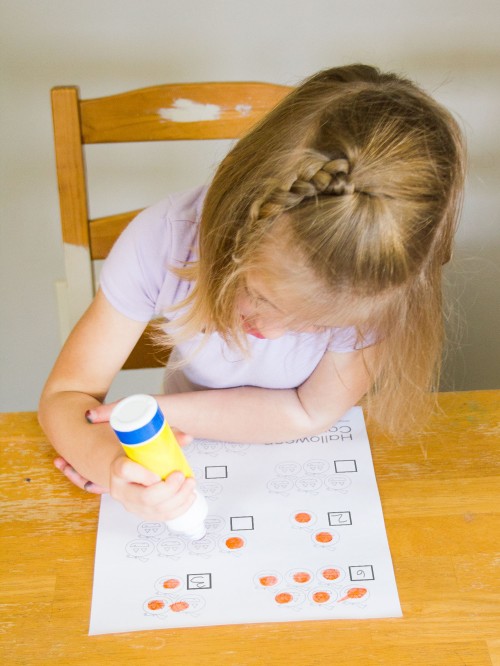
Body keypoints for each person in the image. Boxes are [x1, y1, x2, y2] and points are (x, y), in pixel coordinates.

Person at [38, 64, 465, 522]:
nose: (274, 329)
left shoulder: (374, 280)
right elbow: (66, 395)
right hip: (194, 456)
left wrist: (155, 414)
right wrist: (111, 466)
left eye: (320, 324)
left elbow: (308, 412)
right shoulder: (160, 242)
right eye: (260, 296)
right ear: (232, 228)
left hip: (309, 469)